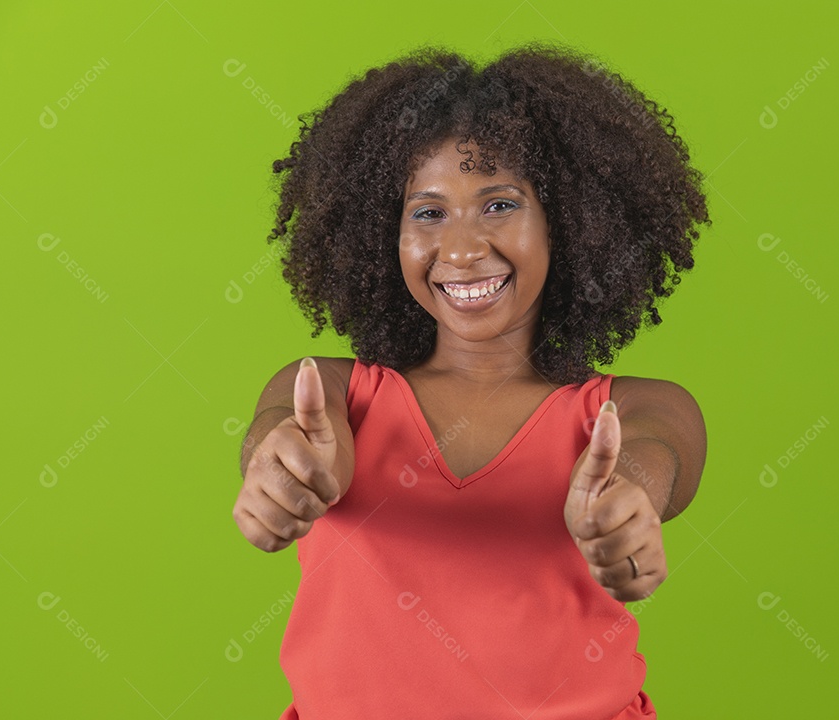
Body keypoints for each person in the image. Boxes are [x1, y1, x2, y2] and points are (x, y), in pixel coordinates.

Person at [232, 40, 710, 719]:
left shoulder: (627, 406)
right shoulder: (333, 391)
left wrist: (632, 494)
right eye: (428, 212)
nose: (460, 248)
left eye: (498, 205)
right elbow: (291, 430)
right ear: (382, 234)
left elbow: (660, 446)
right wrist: (281, 464)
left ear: (568, 223)